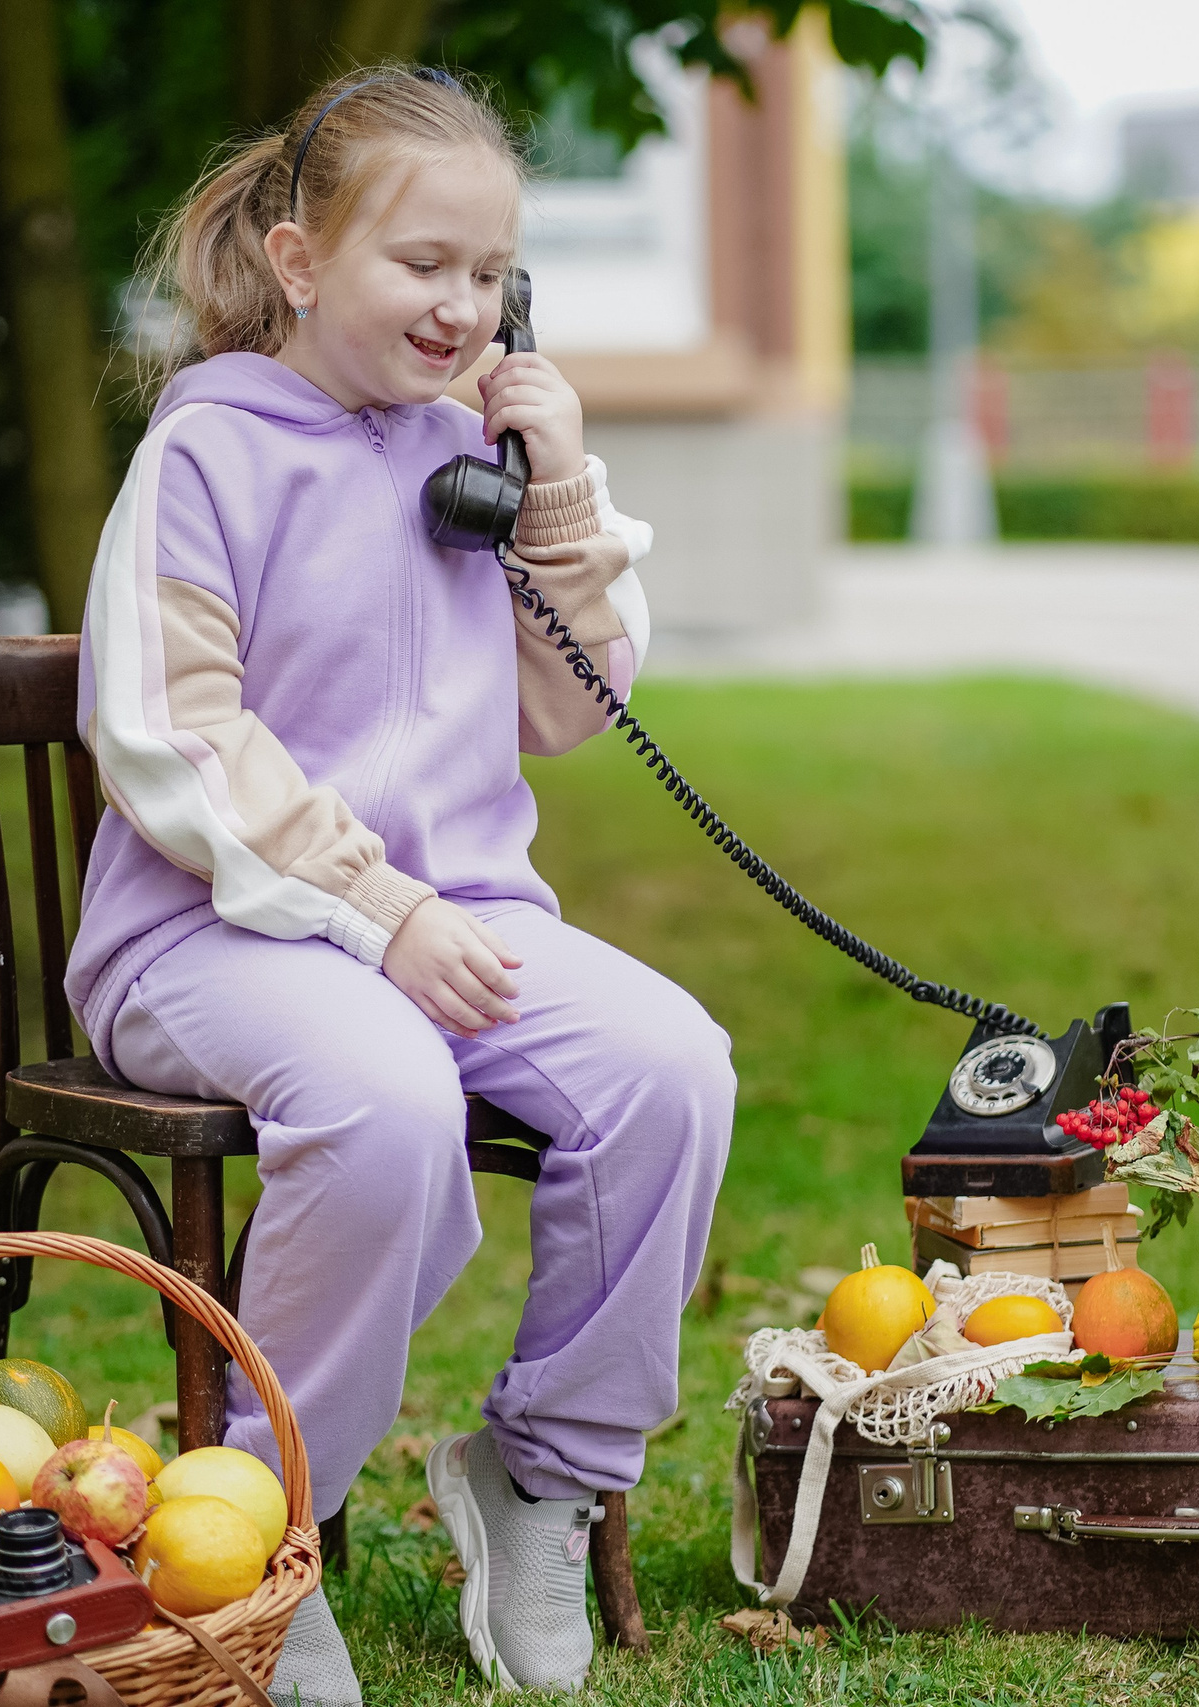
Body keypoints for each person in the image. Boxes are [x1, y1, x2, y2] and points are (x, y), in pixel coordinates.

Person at [66, 66, 735, 1698]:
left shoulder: (473, 458)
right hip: (207, 932)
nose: (461, 305)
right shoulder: (206, 458)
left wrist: (558, 484)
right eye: (419, 264)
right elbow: (176, 735)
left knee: (671, 1072)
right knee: (386, 1106)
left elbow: (572, 711)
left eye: (490, 272)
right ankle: (256, 1535)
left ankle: (543, 1476)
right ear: (300, 265)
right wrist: (382, 913)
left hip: (454, 924)